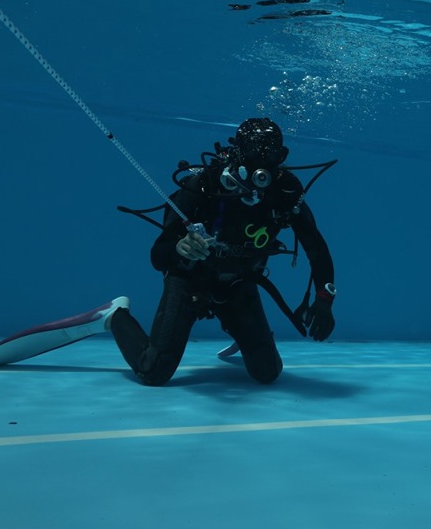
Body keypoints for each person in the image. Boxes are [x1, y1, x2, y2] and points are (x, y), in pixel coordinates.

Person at [109, 118, 336, 386]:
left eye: (272, 154)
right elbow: (158, 255)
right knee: (154, 372)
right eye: (253, 151)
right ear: (237, 151)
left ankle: (241, 331)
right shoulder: (203, 185)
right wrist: (180, 248)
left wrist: (324, 300)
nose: (261, 164)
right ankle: (115, 315)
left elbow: (316, 248)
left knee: (267, 373)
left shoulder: (285, 192)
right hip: (190, 281)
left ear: (282, 156)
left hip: (239, 283)